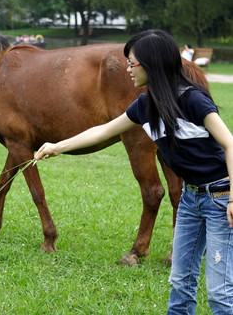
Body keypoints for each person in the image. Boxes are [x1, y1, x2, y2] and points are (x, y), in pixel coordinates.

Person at [34, 29, 233, 314]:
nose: (127, 69)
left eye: (132, 62)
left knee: (219, 294)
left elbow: (229, 143)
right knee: (180, 282)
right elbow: (103, 130)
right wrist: (58, 145)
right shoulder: (145, 105)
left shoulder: (193, 101)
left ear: (153, 64)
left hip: (220, 198)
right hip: (190, 199)